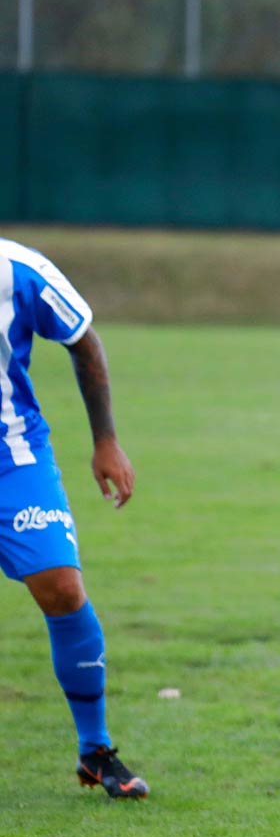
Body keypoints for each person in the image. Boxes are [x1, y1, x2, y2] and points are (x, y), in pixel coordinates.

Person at [1, 237, 143, 798]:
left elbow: (83, 341)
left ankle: (96, 751)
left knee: (62, 588)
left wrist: (106, 442)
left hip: (14, 459)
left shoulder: (19, 270)